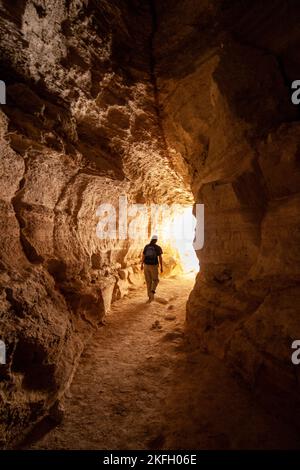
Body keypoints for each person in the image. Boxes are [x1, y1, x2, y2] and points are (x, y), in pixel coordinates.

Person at [141, 235, 163, 302]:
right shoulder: (157, 247)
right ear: (156, 240)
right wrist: (161, 266)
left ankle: (150, 297)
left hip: (146, 265)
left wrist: (141, 264)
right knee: (156, 280)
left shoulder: (147, 246)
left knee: (148, 281)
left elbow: (143, 256)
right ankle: (152, 292)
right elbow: (160, 258)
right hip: (153, 266)